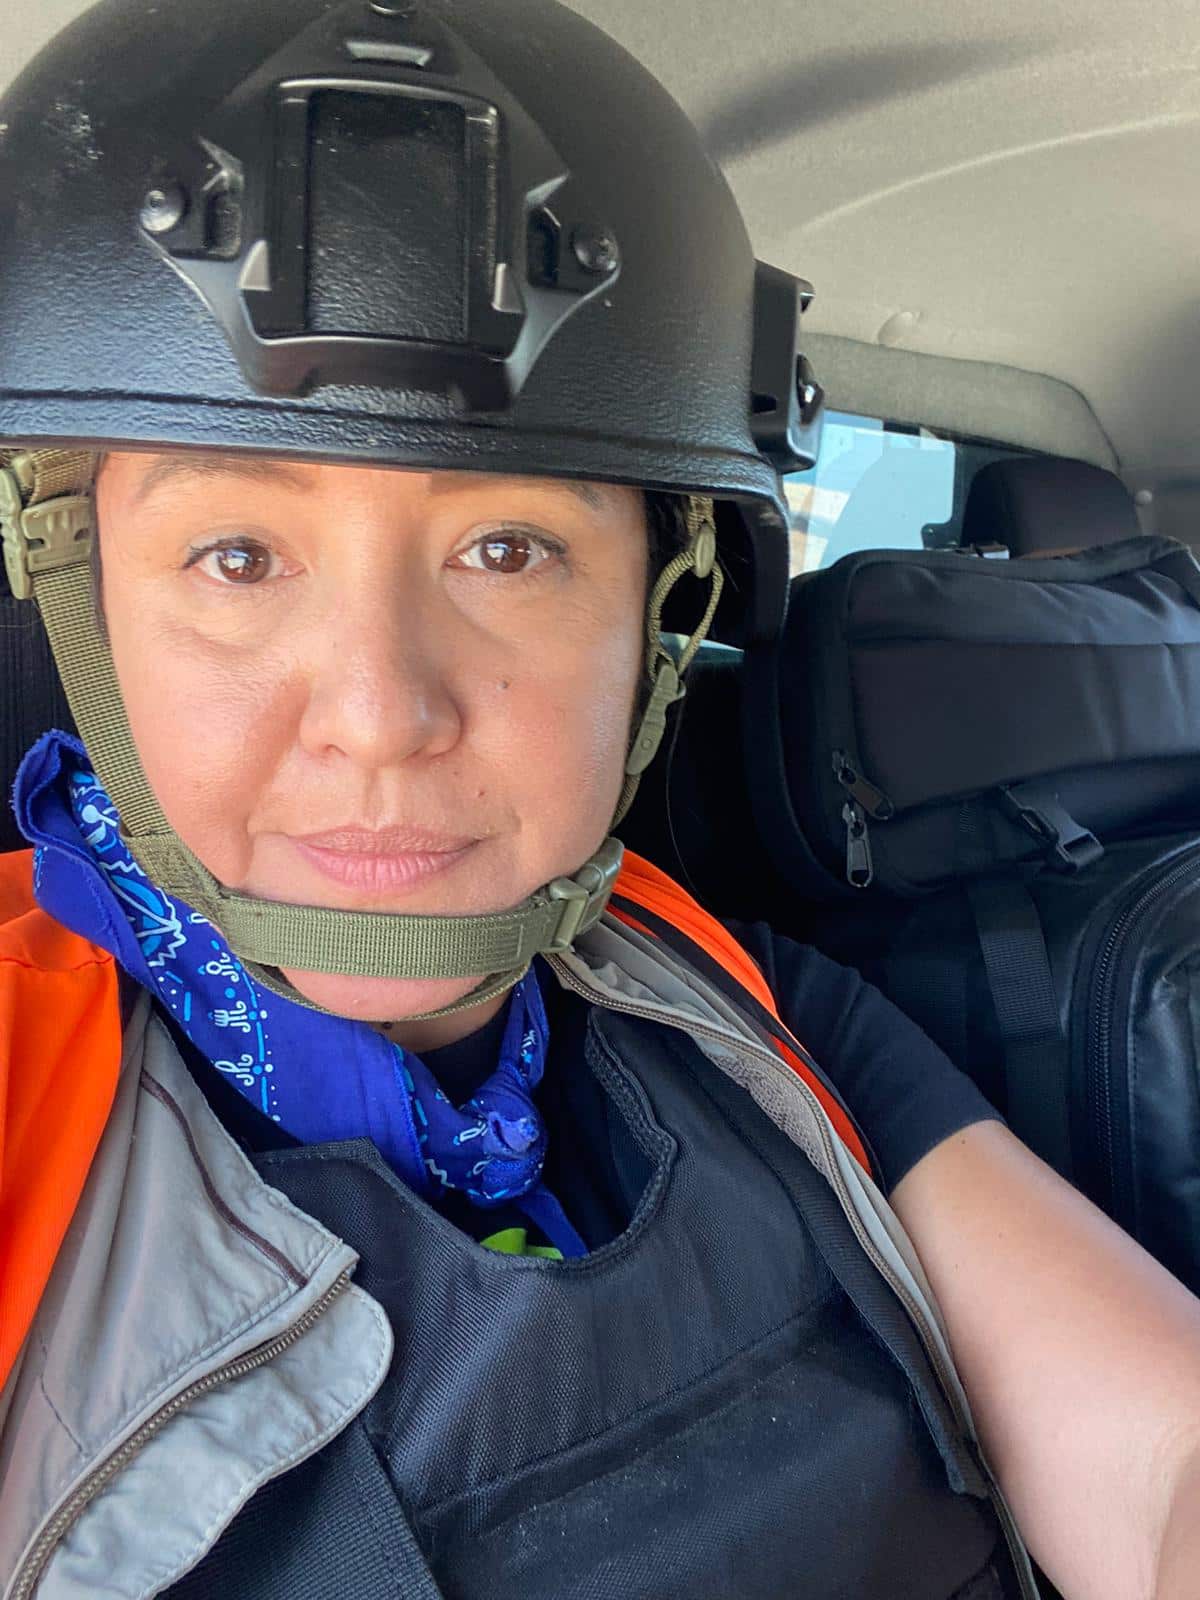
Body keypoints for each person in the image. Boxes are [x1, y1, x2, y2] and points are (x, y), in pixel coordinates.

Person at [0, 3, 1198, 1598]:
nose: (382, 716)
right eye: (236, 557)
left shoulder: (733, 1005)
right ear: (78, 598)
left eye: (509, 551)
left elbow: (1164, 1464)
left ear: (661, 608)